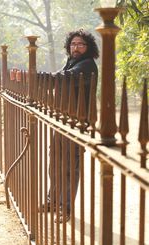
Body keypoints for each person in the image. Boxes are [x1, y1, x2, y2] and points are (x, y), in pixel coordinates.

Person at [43, 29, 99, 222]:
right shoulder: (72, 62)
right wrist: (37, 78)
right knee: (56, 160)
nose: (76, 47)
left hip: (77, 122)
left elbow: (63, 78)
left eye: (81, 44)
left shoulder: (87, 65)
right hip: (64, 118)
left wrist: (44, 77)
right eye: (73, 44)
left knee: (70, 166)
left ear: (88, 47)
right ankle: (52, 200)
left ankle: (66, 209)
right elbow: (58, 77)